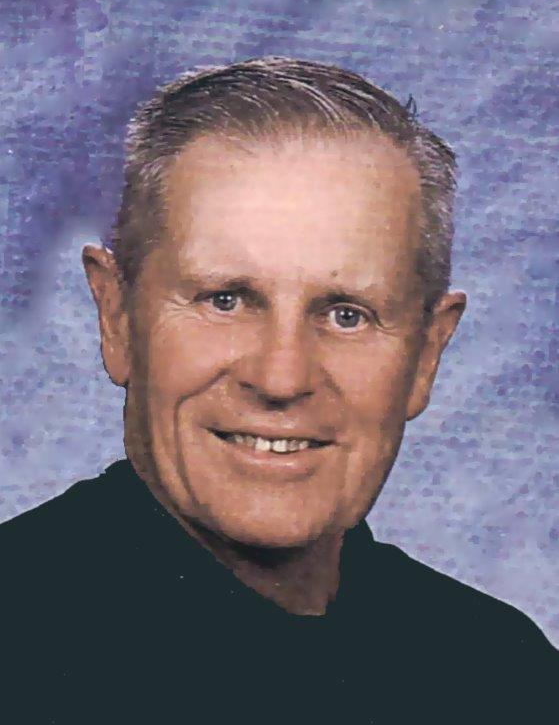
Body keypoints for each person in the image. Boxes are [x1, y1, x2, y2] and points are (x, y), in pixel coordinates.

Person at [1, 56, 557, 724]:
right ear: (116, 317)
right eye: (225, 300)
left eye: (346, 315)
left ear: (426, 355)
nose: (281, 378)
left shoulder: (504, 675)